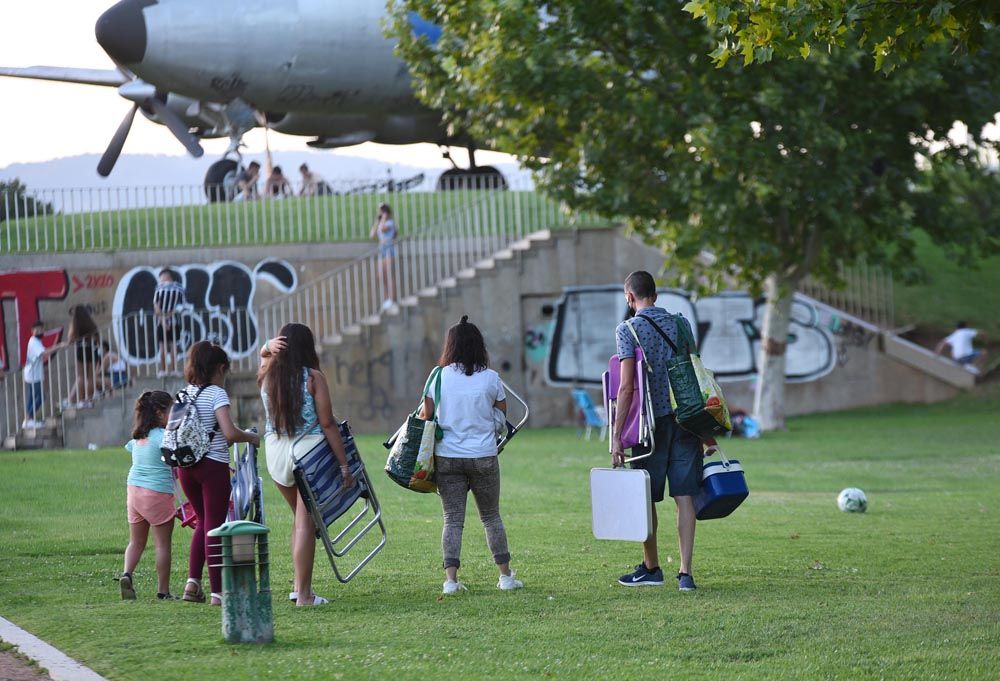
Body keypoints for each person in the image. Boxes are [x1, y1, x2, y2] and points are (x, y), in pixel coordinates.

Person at [611, 270, 704, 591]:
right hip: (687, 418)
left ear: (630, 297)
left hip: (651, 424)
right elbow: (695, 371)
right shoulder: (681, 325)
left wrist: (617, 436)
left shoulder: (628, 330)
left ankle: (651, 567)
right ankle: (685, 574)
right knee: (685, 496)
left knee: (646, 497)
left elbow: (625, 388)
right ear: (656, 294)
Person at [420, 316, 523, 594]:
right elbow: (502, 414)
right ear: (479, 346)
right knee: (491, 517)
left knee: (452, 519)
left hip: (447, 458)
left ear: (450, 346)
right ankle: (505, 577)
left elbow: (425, 416)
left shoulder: (437, 376)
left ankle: (450, 581)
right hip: (484, 456)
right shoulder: (491, 379)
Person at [259, 324, 355, 606]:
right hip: (307, 451)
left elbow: (262, 357)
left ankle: (298, 586)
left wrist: (266, 346)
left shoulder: (267, 375)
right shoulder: (313, 378)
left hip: (275, 452)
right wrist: (344, 465)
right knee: (305, 521)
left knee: (301, 520)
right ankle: (304, 595)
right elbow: (327, 423)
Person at [177, 341, 260, 605]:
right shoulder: (216, 394)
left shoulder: (184, 393)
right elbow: (229, 433)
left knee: (202, 522)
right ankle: (218, 593)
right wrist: (251, 437)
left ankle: (192, 583)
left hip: (186, 468)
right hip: (212, 468)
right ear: (220, 368)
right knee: (214, 525)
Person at [120, 390, 177, 601]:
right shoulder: (163, 437)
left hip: (134, 491)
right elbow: (176, 456)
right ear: (160, 413)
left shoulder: (138, 438)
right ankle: (163, 591)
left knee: (136, 542)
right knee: (162, 544)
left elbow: (130, 447)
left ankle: (127, 574)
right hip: (157, 493)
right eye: (172, 410)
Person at [22, 320, 60, 428]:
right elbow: (44, 353)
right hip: (33, 374)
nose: (40, 331)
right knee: (41, 397)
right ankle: (28, 419)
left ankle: (28, 421)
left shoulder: (37, 341)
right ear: (32, 331)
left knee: (32, 398)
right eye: (37, 330)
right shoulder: (33, 341)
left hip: (33, 374)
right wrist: (59, 345)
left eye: (41, 329)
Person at [65, 305, 102, 407]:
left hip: (81, 348)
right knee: (91, 377)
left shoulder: (75, 323)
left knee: (81, 376)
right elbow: (97, 337)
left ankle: (81, 401)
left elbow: (70, 339)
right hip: (92, 348)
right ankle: (88, 399)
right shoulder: (90, 322)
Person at [152, 268, 186, 378]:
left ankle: (163, 370)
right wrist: (170, 316)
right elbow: (181, 306)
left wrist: (162, 320)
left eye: (161, 277)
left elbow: (156, 306)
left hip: (161, 322)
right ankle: (174, 370)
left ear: (166, 276)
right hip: (174, 321)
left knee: (163, 346)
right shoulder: (179, 288)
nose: (160, 279)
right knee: (173, 345)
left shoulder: (159, 288)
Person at [370, 203, 398, 311]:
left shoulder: (390, 223)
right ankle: (387, 299)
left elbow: (382, 229)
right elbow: (372, 235)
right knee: (382, 276)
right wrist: (377, 221)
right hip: (382, 250)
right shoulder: (380, 222)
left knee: (389, 275)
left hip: (388, 249)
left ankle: (392, 299)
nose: (379, 214)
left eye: (381, 212)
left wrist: (383, 219)